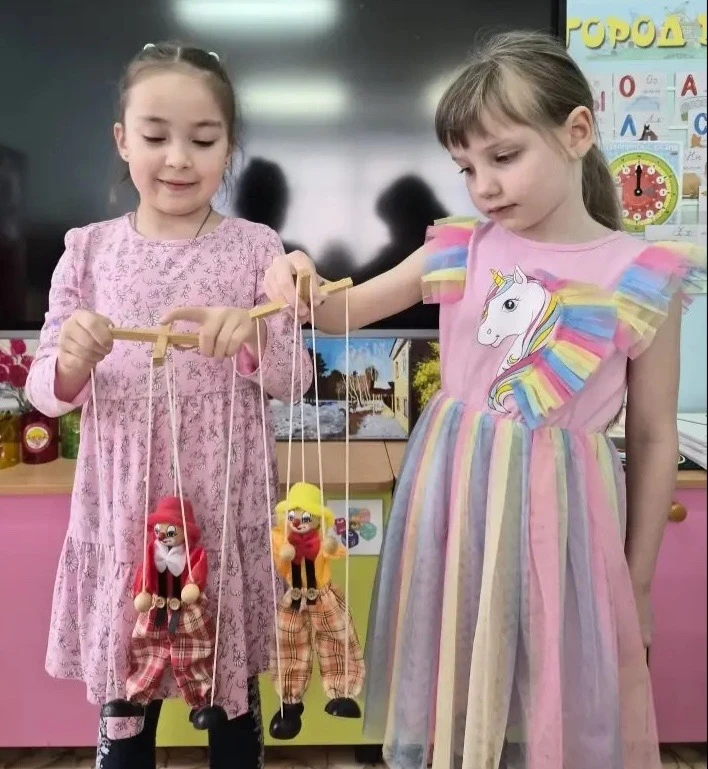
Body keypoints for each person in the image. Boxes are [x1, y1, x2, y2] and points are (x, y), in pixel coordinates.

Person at [261, 30, 706, 769]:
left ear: (577, 132)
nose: (485, 186)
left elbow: (656, 436)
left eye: (504, 156)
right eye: (467, 167)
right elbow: (337, 312)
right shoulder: (459, 248)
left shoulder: (643, 274)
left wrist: (638, 581)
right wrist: (296, 269)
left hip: (568, 521)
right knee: (456, 675)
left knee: (563, 689)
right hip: (454, 503)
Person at [25, 41, 312, 769]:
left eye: (203, 140)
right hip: (125, 506)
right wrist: (72, 361)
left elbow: (296, 378)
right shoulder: (87, 251)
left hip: (226, 501)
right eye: (155, 136)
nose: (178, 158)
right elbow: (44, 392)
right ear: (123, 140)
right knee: (127, 697)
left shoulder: (257, 249)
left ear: (229, 148)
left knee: (230, 701)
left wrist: (254, 338)